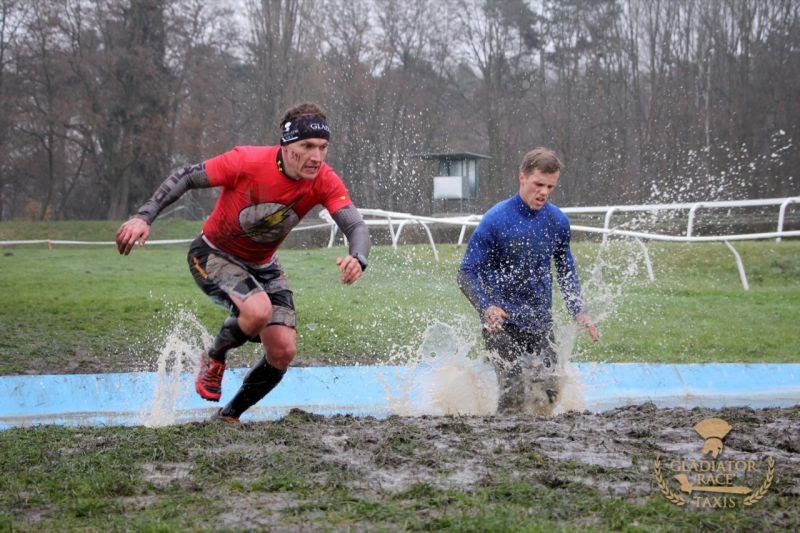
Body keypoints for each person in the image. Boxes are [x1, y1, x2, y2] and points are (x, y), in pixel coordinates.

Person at [115, 102, 370, 422]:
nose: (316, 156)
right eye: (307, 146)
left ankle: (229, 415)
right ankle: (213, 357)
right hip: (213, 255)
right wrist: (143, 217)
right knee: (257, 311)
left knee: (282, 351)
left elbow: (355, 225)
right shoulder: (246, 161)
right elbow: (186, 176)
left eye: (322, 147)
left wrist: (358, 258)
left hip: (264, 265)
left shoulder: (323, 179)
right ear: (287, 145)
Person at [458, 147, 599, 414]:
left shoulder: (557, 221)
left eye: (550, 186)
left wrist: (578, 310)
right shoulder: (495, 219)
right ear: (522, 177)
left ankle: (539, 447)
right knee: (514, 391)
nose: (544, 192)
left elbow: (565, 268)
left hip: (538, 322)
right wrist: (487, 306)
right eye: (538, 184)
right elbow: (465, 273)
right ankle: (502, 445)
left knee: (550, 392)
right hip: (501, 323)